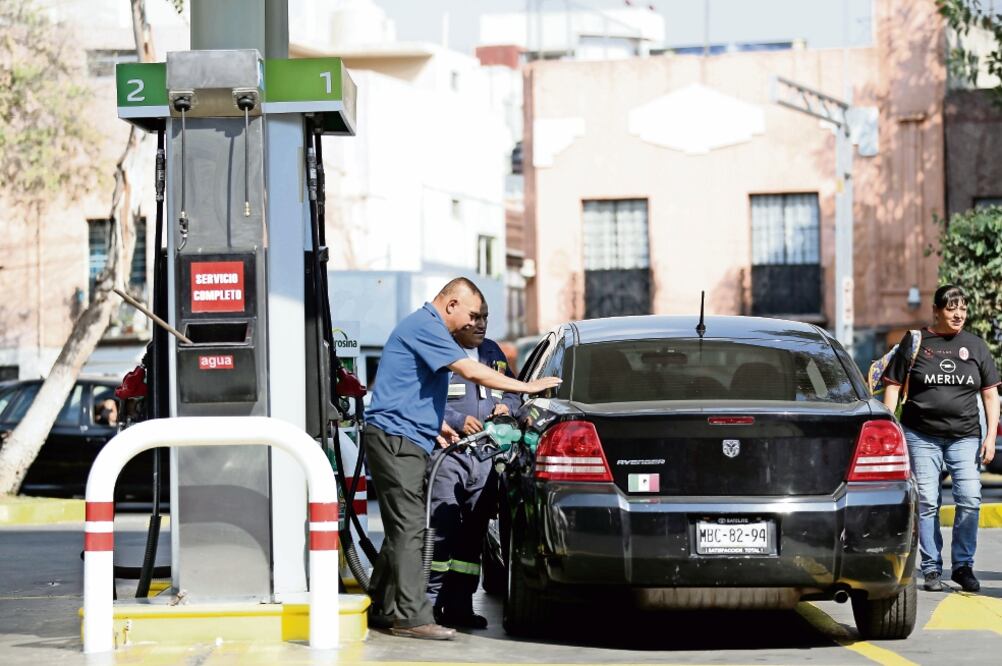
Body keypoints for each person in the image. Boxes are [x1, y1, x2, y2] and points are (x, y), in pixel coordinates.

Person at [364, 278, 561, 640]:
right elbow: (469, 371)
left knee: (401, 530)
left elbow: (413, 389)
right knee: (412, 530)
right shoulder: (427, 326)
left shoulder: (435, 330)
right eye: (472, 315)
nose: (477, 323)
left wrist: (435, 423)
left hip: (409, 439)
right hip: (397, 442)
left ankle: (382, 605)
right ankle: (411, 617)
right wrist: (528, 387)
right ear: (451, 304)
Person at [883, 284, 1000, 593]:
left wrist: (990, 437)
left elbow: (990, 395)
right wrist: (887, 427)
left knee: (971, 500)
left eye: (962, 308)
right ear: (935, 310)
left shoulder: (975, 346)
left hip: (965, 438)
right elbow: (893, 385)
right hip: (921, 436)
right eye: (951, 308)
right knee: (927, 503)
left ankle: (963, 566)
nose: (958, 313)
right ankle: (932, 567)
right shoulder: (915, 341)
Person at [428, 299, 519, 629]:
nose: (481, 324)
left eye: (486, 317)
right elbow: (423, 401)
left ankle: (459, 606)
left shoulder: (494, 352)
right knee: (443, 529)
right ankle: (428, 606)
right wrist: (454, 418)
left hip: (485, 457)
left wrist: (506, 410)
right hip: (448, 455)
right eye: (474, 317)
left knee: (473, 536)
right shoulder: (440, 351)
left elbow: (512, 393)